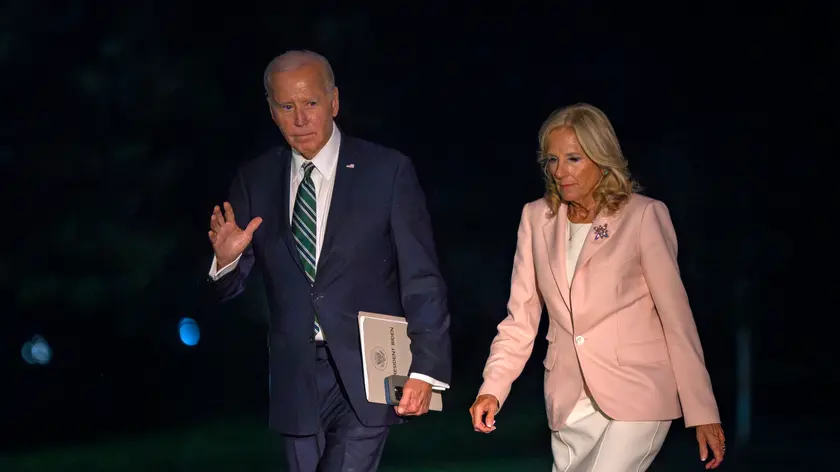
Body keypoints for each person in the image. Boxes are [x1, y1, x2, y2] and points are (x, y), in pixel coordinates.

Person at [206, 49, 451, 472]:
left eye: (311, 103)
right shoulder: (256, 179)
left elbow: (421, 276)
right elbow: (230, 287)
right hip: (295, 377)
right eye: (287, 106)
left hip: (371, 370)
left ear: (334, 102)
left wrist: (426, 369)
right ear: (271, 110)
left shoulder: (387, 172)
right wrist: (224, 262)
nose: (300, 118)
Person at [469, 103, 725, 470]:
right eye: (552, 160)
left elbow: (677, 318)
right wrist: (492, 388)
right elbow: (520, 318)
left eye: (574, 158)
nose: (560, 172)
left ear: (602, 158)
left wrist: (702, 409)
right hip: (569, 398)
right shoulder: (535, 219)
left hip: (638, 390)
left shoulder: (643, 216)